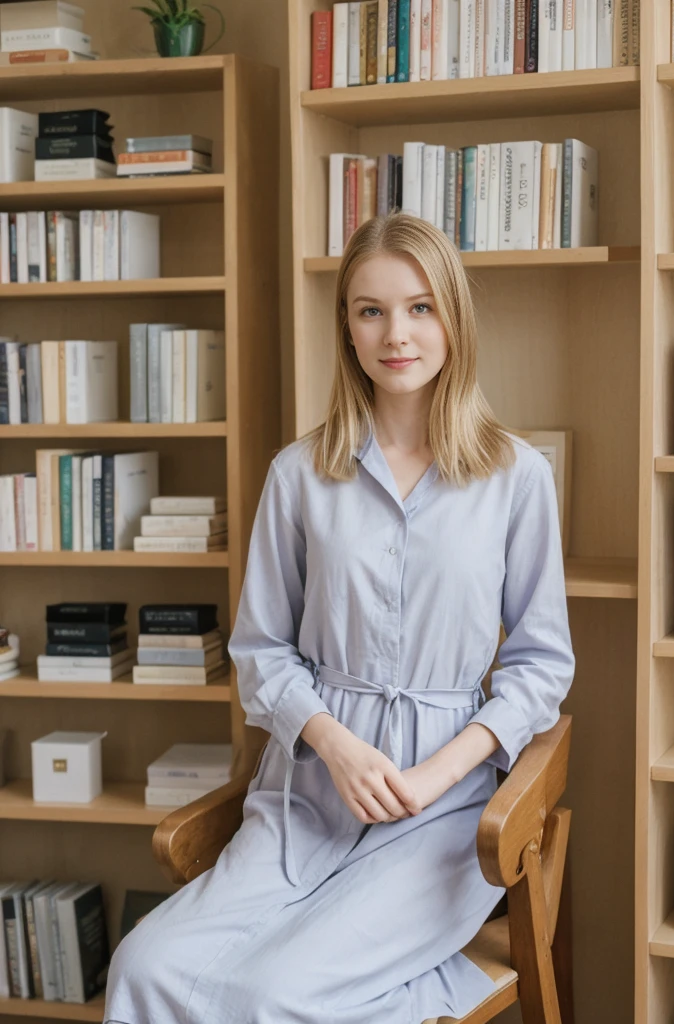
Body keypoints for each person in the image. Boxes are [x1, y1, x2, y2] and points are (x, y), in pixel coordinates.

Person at [103, 212, 575, 1024]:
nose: (397, 333)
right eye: (371, 310)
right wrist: (335, 743)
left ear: (453, 319)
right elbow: (260, 651)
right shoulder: (297, 475)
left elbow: (540, 668)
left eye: (421, 307)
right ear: (348, 329)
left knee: (271, 994)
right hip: (308, 797)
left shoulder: (517, 477)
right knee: (142, 964)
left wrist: (436, 776)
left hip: (445, 812)